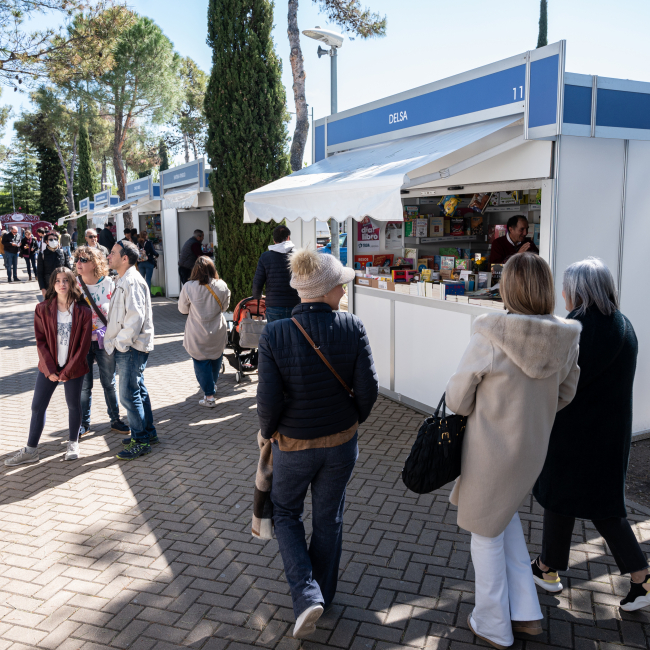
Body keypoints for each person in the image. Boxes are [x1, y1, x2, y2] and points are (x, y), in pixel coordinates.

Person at [445, 254, 581, 649]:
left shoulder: (490, 334)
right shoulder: (566, 338)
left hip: (489, 451)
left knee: (484, 532)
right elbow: (567, 392)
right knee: (502, 521)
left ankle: (492, 623)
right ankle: (525, 610)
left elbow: (457, 399)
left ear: (509, 288)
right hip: (531, 450)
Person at [257, 248, 378, 638]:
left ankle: (307, 595)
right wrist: (351, 420)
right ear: (325, 289)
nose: (344, 289)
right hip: (342, 444)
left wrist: (268, 431)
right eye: (340, 284)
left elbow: (268, 401)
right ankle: (321, 593)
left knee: (285, 513)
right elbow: (368, 391)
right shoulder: (353, 326)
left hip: (293, 445)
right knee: (329, 518)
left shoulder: (274, 333)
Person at [532, 258, 649, 611]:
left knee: (580, 502)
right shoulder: (624, 325)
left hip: (574, 434)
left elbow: (553, 380)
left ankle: (642, 578)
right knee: (583, 502)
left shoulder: (576, 329)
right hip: (610, 435)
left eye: (566, 287)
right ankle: (547, 567)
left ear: (579, 291)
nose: (563, 294)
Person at [5, 267, 92, 466]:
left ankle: (73, 443)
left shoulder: (84, 311)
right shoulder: (42, 309)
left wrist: (68, 370)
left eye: (66, 280)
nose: (62, 284)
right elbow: (41, 341)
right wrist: (51, 369)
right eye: (58, 280)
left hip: (74, 367)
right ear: (53, 284)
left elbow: (84, 346)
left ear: (72, 283)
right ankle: (31, 451)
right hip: (49, 367)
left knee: (73, 405)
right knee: (37, 406)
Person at [105, 240, 156, 460]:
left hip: (131, 347)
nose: (109, 256)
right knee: (138, 390)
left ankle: (140, 440)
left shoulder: (131, 281)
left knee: (128, 394)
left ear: (125, 258)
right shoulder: (124, 279)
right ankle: (147, 432)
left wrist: (120, 343)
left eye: (113, 253)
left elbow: (135, 318)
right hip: (131, 345)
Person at [74, 246, 130, 437]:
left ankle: (115, 420)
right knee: (84, 386)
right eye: (77, 259)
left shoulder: (109, 284)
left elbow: (118, 312)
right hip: (81, 343)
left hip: (104, 342)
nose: (78, 263)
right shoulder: (74, 285)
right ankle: (83, 423)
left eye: (83, 260)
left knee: (109, 383)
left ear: (95, 263)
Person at [178, 257, 231, 407]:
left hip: (197, 331)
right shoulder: (222, 285)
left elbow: (182, 309)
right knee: (216, 359)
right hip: (217, 329)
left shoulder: (189, 286)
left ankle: (209, 396)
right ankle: (211, 386)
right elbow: (225, 307)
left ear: (195, 270)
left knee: (201, 362)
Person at [252, 225, 300, 322]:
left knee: (275, 332)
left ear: (274, 240)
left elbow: (257, 283)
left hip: (274, 306)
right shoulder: (298, 255)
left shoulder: (265, 257)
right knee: (294, 332)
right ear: (288, 237)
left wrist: (258, 296)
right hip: (295, 305)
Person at [38, 231, 72, 297]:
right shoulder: (42, 254)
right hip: (49, 286)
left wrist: (71, 285)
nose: (53, 241)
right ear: (46, 242)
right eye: (51, 239)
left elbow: (69, 270)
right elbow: (40, 273)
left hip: (62, 286)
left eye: (55, 239)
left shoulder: (62, 253)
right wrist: (43, 288)